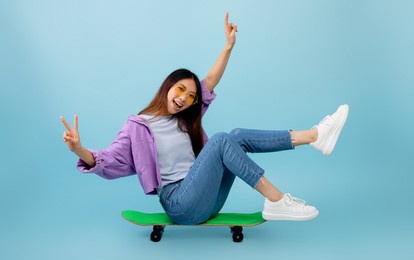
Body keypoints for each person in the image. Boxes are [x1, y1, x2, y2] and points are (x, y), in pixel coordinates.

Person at [60, 13, 349, 225]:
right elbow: (109, 160)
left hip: (206, 196)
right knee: (223, 140)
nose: (184, 98)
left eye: (191, 97)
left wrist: (228, 46)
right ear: (168, 86)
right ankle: (276, 200)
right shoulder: (138, 127)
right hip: (180, 204)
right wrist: (79, 150)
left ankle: (314, 136)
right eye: (180, 90)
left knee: (233, 135)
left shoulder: (185, 119)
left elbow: (209, 82)